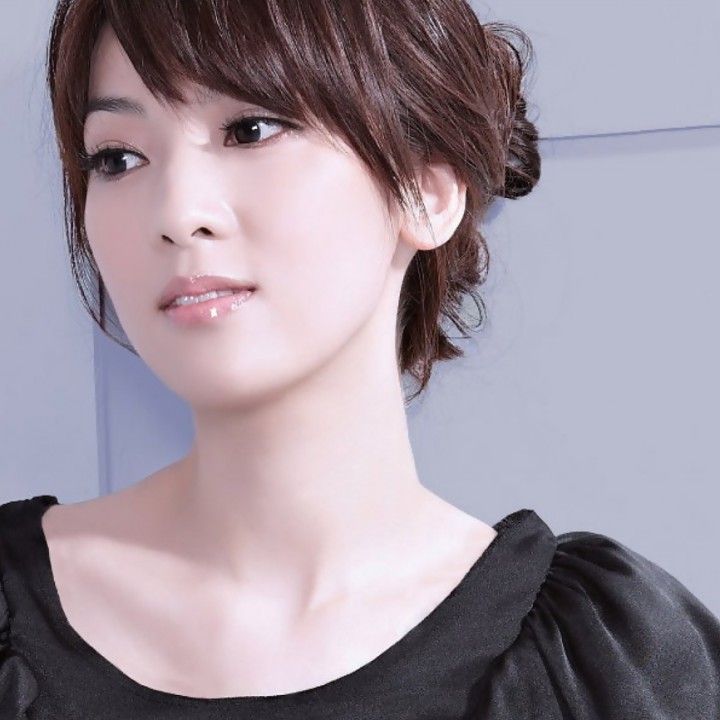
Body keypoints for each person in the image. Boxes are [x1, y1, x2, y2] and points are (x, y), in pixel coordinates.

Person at [1, 0, 719, 716]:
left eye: (250, 130)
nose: (177, 212)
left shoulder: (604, 665)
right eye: (118, 158)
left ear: (427, 190)